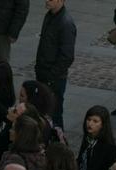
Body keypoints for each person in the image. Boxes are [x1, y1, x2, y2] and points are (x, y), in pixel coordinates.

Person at [35, 0, 76, 129]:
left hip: (54, 78)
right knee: (43, 111)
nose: (47, 0)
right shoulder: (50, 16)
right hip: (43, 72)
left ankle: (59, 143)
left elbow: (67, 56)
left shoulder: (65, 23)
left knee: (55, 114)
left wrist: (51, 76)